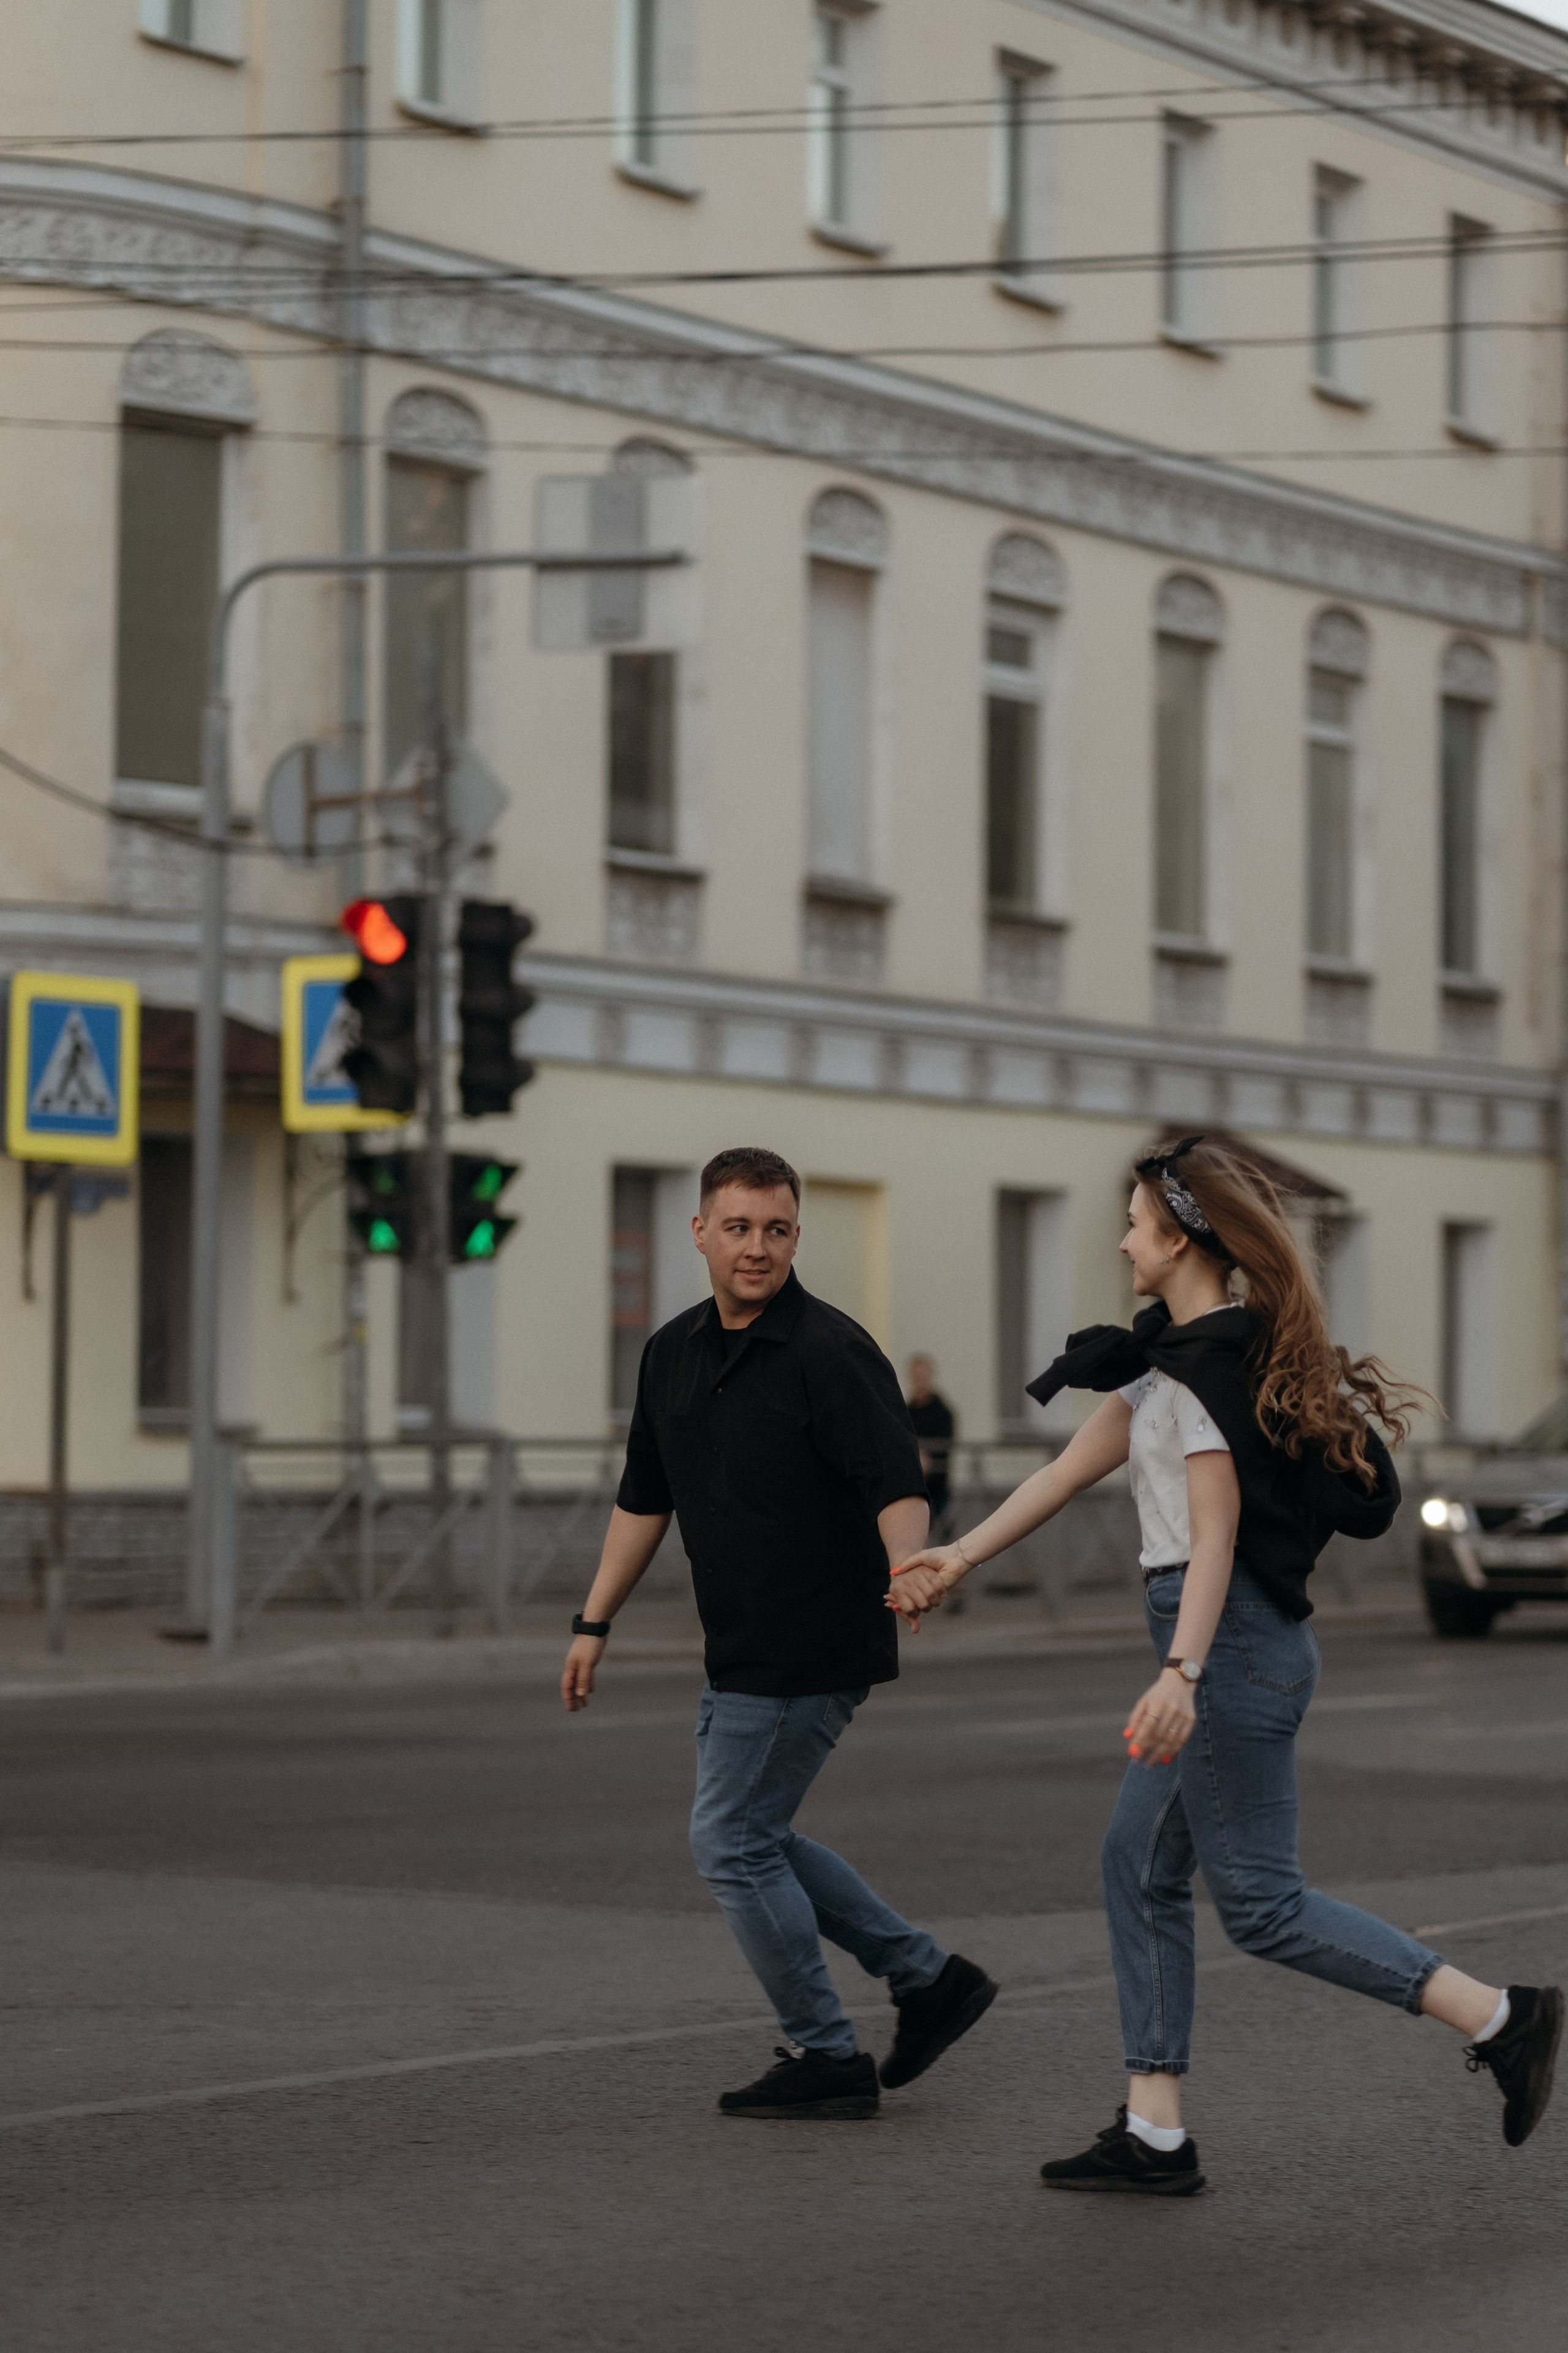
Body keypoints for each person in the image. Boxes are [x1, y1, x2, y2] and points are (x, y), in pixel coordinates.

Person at [889, 1134, 1561, 2193]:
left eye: (1134, 1225)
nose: (1121, 1240)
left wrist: (1182, 1674)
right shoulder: (1174, 1362)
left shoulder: (1208, 1375)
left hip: (1231, 1645)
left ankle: (1501, 2016)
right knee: (1136, 1862)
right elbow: (1070, 1470)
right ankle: (1155, 2131)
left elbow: (1215, 1538)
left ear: (1181, 1239)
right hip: (1225, 1640)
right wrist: (955, 1556)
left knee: (1262, 1903)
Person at [562, 1146, 997, 2121]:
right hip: (741, 1640)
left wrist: (909, 1569)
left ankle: (825, 2050)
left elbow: (896, 1481)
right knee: (756, 1833)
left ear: (797, 1235)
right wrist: (594, 1621)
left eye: (777, 1230)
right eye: (739, 1228)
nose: (757, 1248)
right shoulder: (670, 1352)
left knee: (728, 1838)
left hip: (819, 1635)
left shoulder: (832, 1352)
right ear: (702, 1232)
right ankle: (925, 1978)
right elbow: (644, 1499)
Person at [905, 1354, 957, 1538]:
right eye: (917, 1375)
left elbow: (946, 1447)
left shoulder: (942, 1412)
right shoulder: (905, 1411)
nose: (920, 1380)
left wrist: (928, 1460)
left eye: (924, 1375)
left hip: (937, 1490)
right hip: (911, 1488)